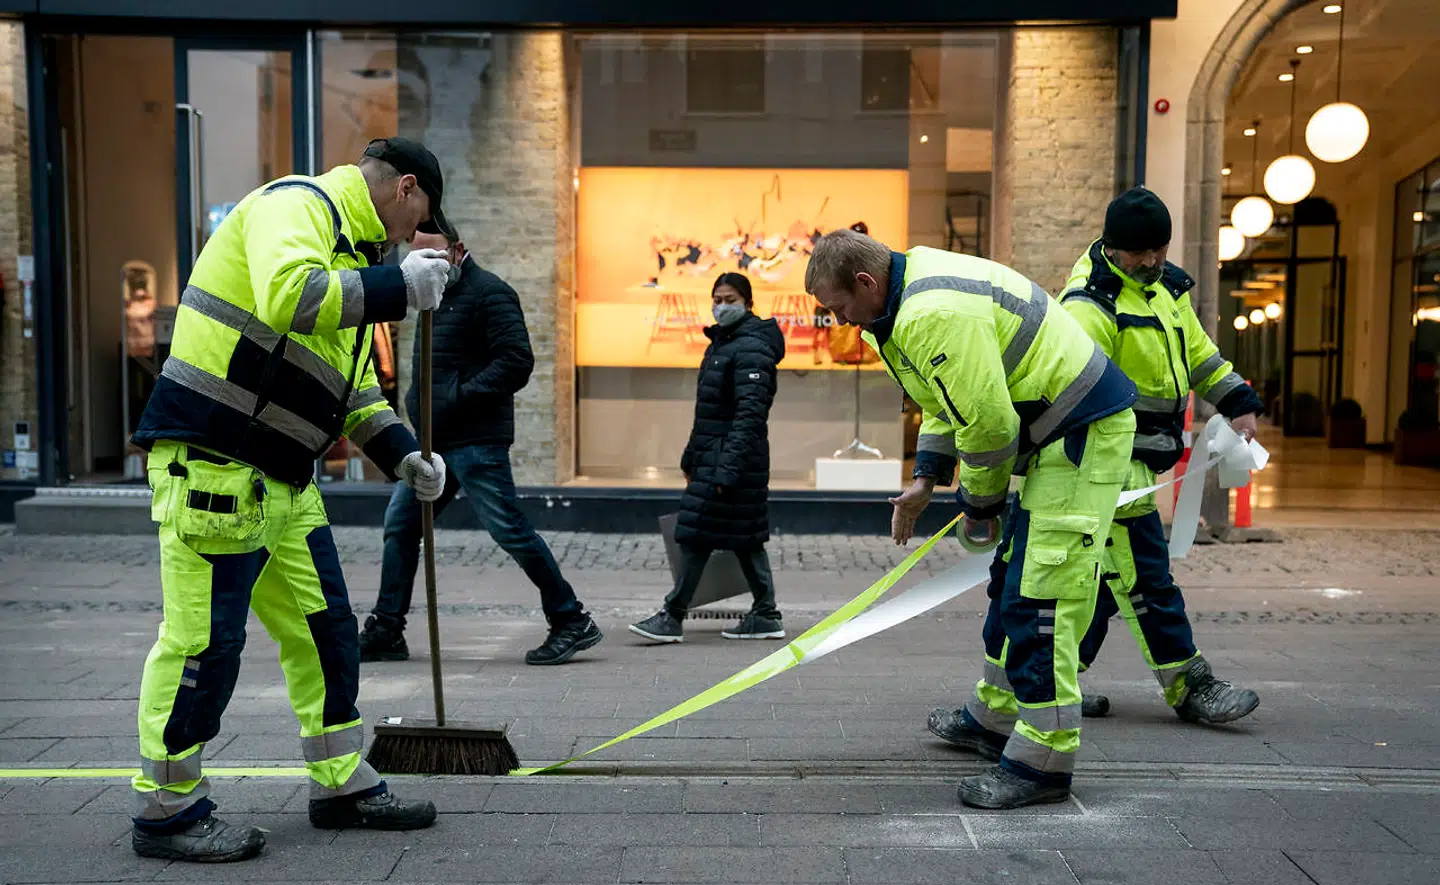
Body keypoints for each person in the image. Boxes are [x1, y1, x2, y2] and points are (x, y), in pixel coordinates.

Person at [126, 137, 455, 862]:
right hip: (215, 466)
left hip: (281, 481)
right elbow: (289, 297)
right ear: (405, 188)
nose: (418, 232)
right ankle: (167, 809)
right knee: (203, 647)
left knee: (327, 633)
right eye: (423, 215)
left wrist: (406, 457)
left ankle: (340, 780)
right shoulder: (296, 206)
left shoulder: (350, 259)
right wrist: (399, 286)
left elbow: (352, 392)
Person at [805, 230, 1138, 810]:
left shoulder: (930, 314)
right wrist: (926, 477)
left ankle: (1044, 762)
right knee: (1011, 582)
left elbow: (987, 430)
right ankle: (992, 719)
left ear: (865, 282)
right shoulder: (901, 301)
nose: (842, 323)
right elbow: (943, 400)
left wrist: (978, 506)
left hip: (1081, 437)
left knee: (1041, 598)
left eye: (840, 309)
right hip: (1056, 436)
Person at [1060, 188, 1263, 721]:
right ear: (1111, 247)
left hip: (1136, 462)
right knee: (1148, 577)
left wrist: (1238, 400)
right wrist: (1105, 470)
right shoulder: (1090, 305)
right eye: (1140, 253)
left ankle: (1041, 685)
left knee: (1097, 584)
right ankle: (1192, 686)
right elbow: (1081, 398)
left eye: (1160, 250)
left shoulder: (1164, 291)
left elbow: (1198, 354)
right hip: (1110, 467)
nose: (1151, 261)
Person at [359, 229, 604, 667]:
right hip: (434, 441)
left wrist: (458, 396)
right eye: (417, 258)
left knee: (508, 529)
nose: (426, 266)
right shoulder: (431, 295)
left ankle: (571, 619)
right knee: (400, 524)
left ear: (456, 249)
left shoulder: (491, 292)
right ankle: (387, 628)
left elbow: (516, 361)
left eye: (434, 255)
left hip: (475, 441)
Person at [630, 272, 786, 643]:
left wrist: (726, 467)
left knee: (697, 533)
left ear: (748, 303)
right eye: (717, 298)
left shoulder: (751, 346)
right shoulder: (722, 344)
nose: (721, 306)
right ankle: (766, 613)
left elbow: (750, 414)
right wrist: (691, 456)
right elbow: (710, 414)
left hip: (733, 460)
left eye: (730, 299)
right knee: (743, 537)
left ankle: (673, 614)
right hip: (716, 457)